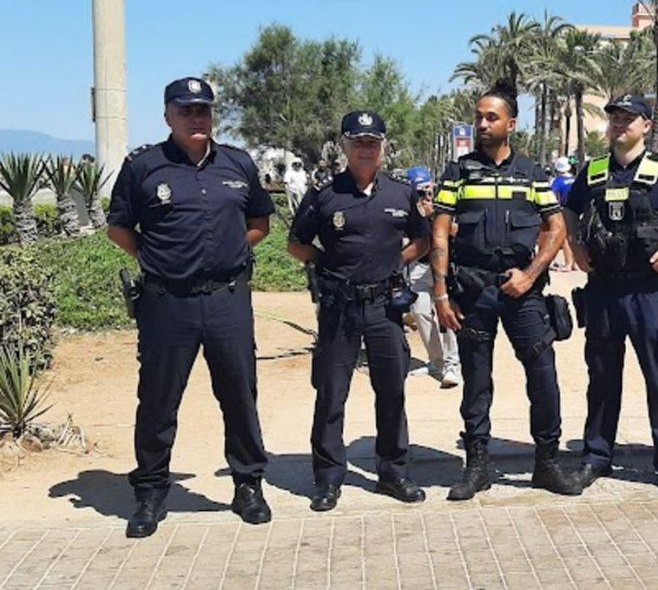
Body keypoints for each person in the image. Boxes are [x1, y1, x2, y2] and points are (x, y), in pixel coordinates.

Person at [107, 77, 274, 538]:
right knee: (159, 400)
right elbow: (118, 227)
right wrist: (153, 257)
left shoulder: (238, 163)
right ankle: (151, 492)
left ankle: (248, 486)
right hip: (167, 302)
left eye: (203, 110)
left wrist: (229, 251)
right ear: (168, 116)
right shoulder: (144, 166)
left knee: (240, 395)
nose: (196, 118)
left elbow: (260, 222)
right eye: (186, 111)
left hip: (227, 299)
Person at [430, 80, 579, 500]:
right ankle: (477, 465)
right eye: (478, 116)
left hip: (523, 292)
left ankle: (547, 463)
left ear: (511, 124)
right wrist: (440, 293)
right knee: (476, 380)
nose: (481, 123)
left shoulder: (532, 173)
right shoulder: (457, 172)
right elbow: (439, 232)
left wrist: (530, 275)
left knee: (543, 374)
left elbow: (556, 226)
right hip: (473, 292)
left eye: (491, 117)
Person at [563, 94, 658, 500]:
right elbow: (569, 210)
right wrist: (576, 247)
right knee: (602, 378)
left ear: (647, 125)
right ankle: (596, 456)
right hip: (604, 291)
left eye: (629, 119)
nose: (619, 125)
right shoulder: (593, 171)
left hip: (649, 292)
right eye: (615, 118)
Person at [287, 111, 431, 511]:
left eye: (373, 142)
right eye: (358, 142)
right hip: (340, 308)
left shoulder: (401, 194)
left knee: (392, 391)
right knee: (331, 393)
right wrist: (326, 264)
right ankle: (328, 478)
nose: (366, 148)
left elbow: (421, 241)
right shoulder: (325, 194)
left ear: (382, 147)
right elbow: (296, 244)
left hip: (385, 307)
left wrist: (392, 262)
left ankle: (393, 472)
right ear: (345, 147)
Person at [406, 165, 462, 389]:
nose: (425, 195)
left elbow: (456, 231)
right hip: (418, 267)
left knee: (446, 315)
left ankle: (452, 365)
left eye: (427, 189)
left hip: (443, 266)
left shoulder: (445, 202)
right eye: (419, 191)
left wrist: (434, 216)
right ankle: (435, 361)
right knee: (420, 313)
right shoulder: (408, 207)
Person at [550, 156, 577, 271]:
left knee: (565, 238)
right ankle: (575, 263)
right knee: (575, 236)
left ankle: (568, 263)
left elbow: (551, 194)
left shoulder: (558, 181)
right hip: (576, 210)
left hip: (564, 210)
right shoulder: (575, 179)